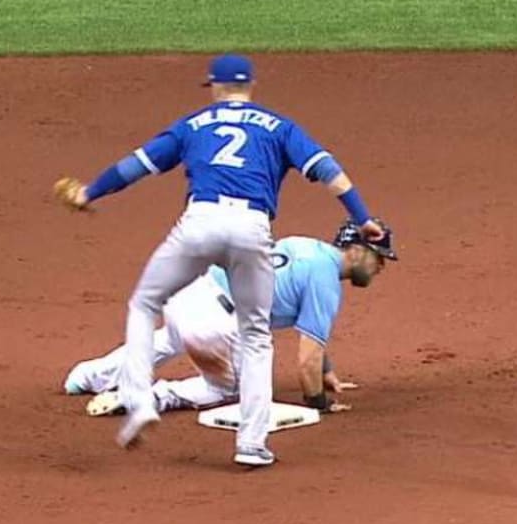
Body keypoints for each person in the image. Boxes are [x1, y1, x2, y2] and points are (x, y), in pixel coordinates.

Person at [53, 54, 384, 468]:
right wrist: (363, 218)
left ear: (213, 86)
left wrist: (90, 193)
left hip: (200, 223)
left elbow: (135, 166)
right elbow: (329, 171)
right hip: (251, 227)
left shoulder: (192, 124)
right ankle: (252, 444)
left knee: (144, 304)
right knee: (256, 335)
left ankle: (139, 401)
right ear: (251, 87)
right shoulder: (280, 126)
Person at [64, 222, 397, 416]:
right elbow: (306, 359)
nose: (380, 267)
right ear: (355, 250)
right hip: (217, 320)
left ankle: (86, 376)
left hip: (191, 291)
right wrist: (320, 403)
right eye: (377, 258)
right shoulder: (326, 281)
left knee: (170, 339)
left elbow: (314, 347)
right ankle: (146, 397)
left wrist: (327, 372)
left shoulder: (306, 246)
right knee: (226, 387)